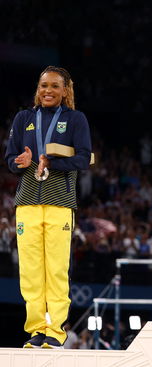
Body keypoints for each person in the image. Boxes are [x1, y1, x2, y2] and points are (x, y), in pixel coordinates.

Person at [5, 66, 92, 348]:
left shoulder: (76, 119)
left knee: (55, 270)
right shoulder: (23, 118)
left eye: (54, 86)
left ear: (65, 90)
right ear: (37, 89)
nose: (48, 91)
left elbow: (83, 158)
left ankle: (55, 331)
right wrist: (19, 162)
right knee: (30, 271)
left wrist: (51, 163)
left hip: (59, 203)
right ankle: (36, 330)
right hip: (27, 203)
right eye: (44, 86)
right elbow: (10, 158)